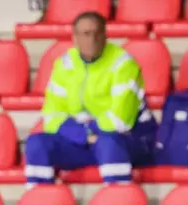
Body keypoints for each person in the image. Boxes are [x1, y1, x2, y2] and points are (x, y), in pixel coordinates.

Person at [24, 11, 157, 186]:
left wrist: (86, 132)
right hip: (84, 140)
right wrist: (85, 135)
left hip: (131, 141)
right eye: (86, 34)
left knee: (109, 142)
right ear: (75, 37)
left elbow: (120, 121)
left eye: (97, 33)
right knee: (36, 143)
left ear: (105, 35)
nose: (92, 39)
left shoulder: (123, 64)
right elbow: (51, 116)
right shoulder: (64, 64)